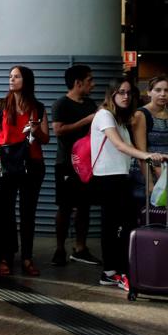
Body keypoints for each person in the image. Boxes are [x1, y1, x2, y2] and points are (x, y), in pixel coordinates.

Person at [90, 78, 168, 290]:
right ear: (112, 94)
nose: (126, 96)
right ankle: (109, 272)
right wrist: (148, 155)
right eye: (121, 92)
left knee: (125, 224)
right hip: (107, 178)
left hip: (120, 177)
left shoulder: (120, 119)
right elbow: (119, 146)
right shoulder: (104, 115)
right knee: (112, 226)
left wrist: (154, 159)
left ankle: (118, 269)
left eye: (129, 93)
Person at [0, 65, 49, 277]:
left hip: (31, 163)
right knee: (5, 213)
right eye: (10, 76)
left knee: (28, 213)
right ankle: (4, 257)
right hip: (5, 163)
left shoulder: (38, 108)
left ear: (27, 81)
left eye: (16, 76)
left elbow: (45, 138)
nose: (11, 80)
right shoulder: (2, 104)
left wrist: (35, 130)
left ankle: (27, 258)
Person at [50, 64, 100, 267]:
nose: (93, 85)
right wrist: (86, 120)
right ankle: (59, 248)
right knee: (65, 206)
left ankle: (81, 247)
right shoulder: (61, 104)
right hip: (66, 164)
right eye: (89, 81)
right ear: (78, 83)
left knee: (84, 207)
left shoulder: (90, 103)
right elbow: (59, 130)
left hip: (88, 164)